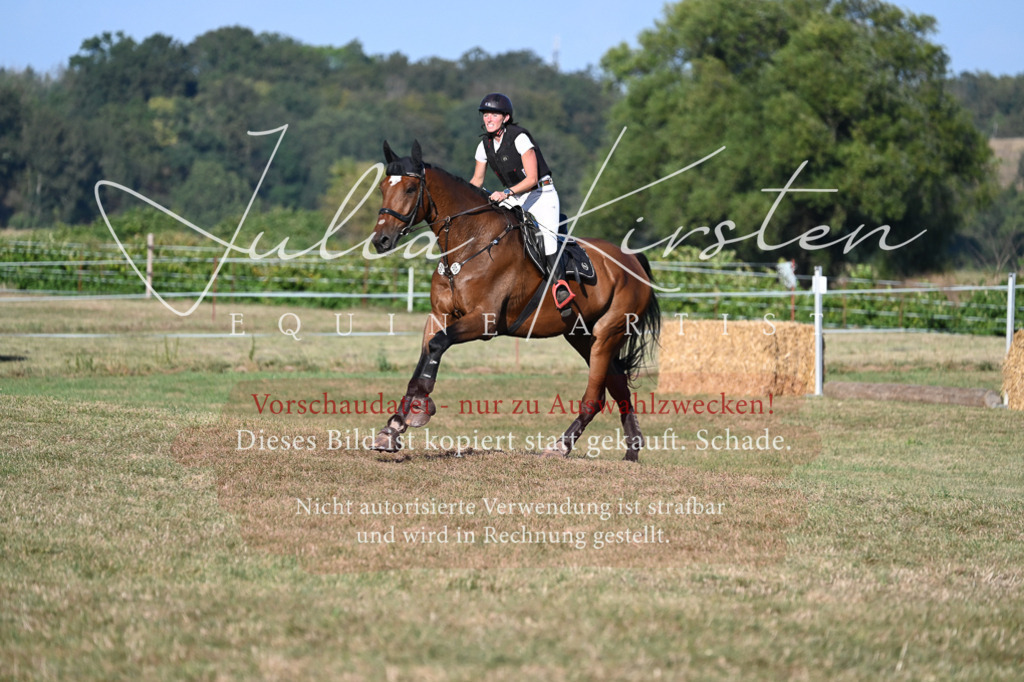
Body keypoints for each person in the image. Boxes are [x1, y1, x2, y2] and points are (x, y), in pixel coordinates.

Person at [470, 93, 572, 310]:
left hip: (541, 194)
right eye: (486, 114)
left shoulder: (519, 138)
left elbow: (532, 178)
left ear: (505, 118)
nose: (488, 119)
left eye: (493, 115)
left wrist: (505, 193)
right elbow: (477, 180)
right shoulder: (484, 145)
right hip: (515, 196)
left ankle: (560, 286)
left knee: (548, 238)